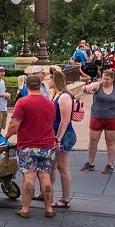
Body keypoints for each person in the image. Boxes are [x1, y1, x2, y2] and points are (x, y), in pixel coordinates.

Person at [3, 74, 58, 218]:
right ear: (40, 85)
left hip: (28, 146)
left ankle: (25, 209)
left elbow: (14, 125)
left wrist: (7, 136)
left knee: (29, 177)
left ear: (26, 86)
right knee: (45, 176)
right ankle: (48, 209)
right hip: (47, 145)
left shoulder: (22, 102)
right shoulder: (50, 103)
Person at [81, 71, 115, 174]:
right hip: (97, 116)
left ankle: (110, 165)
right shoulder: (97, 85)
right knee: (93, 141)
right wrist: (86, 88)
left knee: (110, 141)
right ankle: (90, 163)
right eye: (103, 78)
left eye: (107, 79)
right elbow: (86, 89)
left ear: (112, 79)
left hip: (112, 118)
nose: (104, 81)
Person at [47, 67, 77, 210]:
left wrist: (58, 139)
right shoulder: (56, 95)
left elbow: (65, 121)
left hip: (64, 135)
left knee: (62, 167)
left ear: (55, 81)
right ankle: (47, 192)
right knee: (52, 166)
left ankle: (65, 198)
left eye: (50, 79)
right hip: (56, 133)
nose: (48, 81)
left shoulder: (64, 97)